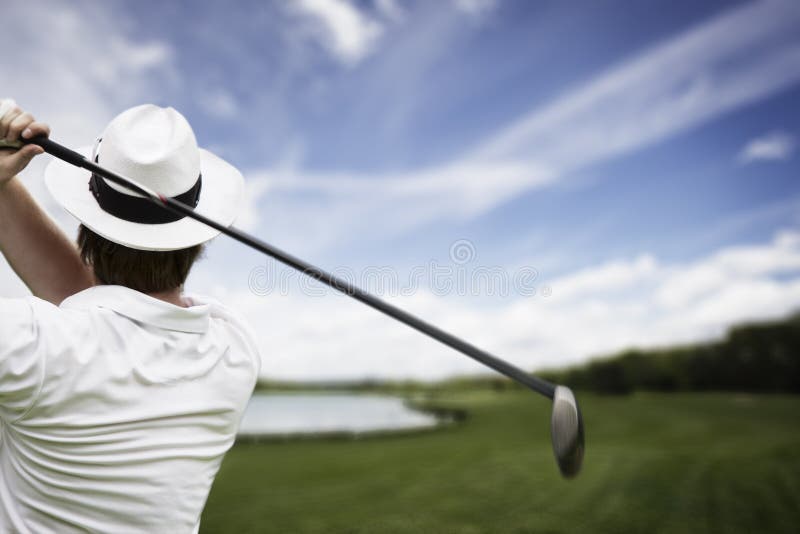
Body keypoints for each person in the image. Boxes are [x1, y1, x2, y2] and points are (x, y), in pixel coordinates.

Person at [0, 100, 261, 533]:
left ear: (85, 229)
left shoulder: (28, 341)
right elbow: (95, 308)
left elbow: (90, 310)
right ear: (197, 238)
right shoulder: (235, 347)